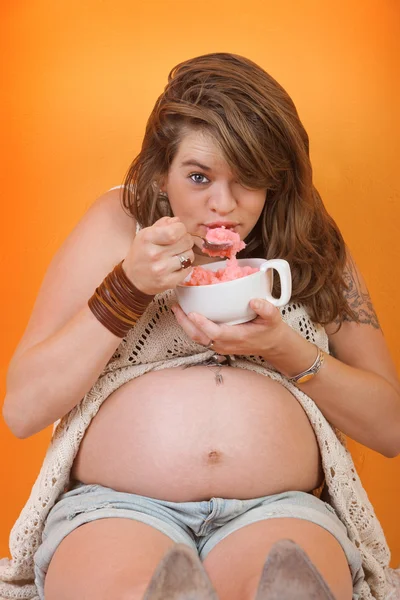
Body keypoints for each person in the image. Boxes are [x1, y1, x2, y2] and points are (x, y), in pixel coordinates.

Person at [1, 52, 400, 600]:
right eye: (198, 177)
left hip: (278, 509)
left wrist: (289, 352)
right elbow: (22, 409)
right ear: (160, 174)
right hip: (119, 506)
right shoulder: (116, 227)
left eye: (248, 181)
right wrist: (128, 287)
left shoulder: (308, 244)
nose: (224, 207)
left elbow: (391, 426)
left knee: (287, 585)